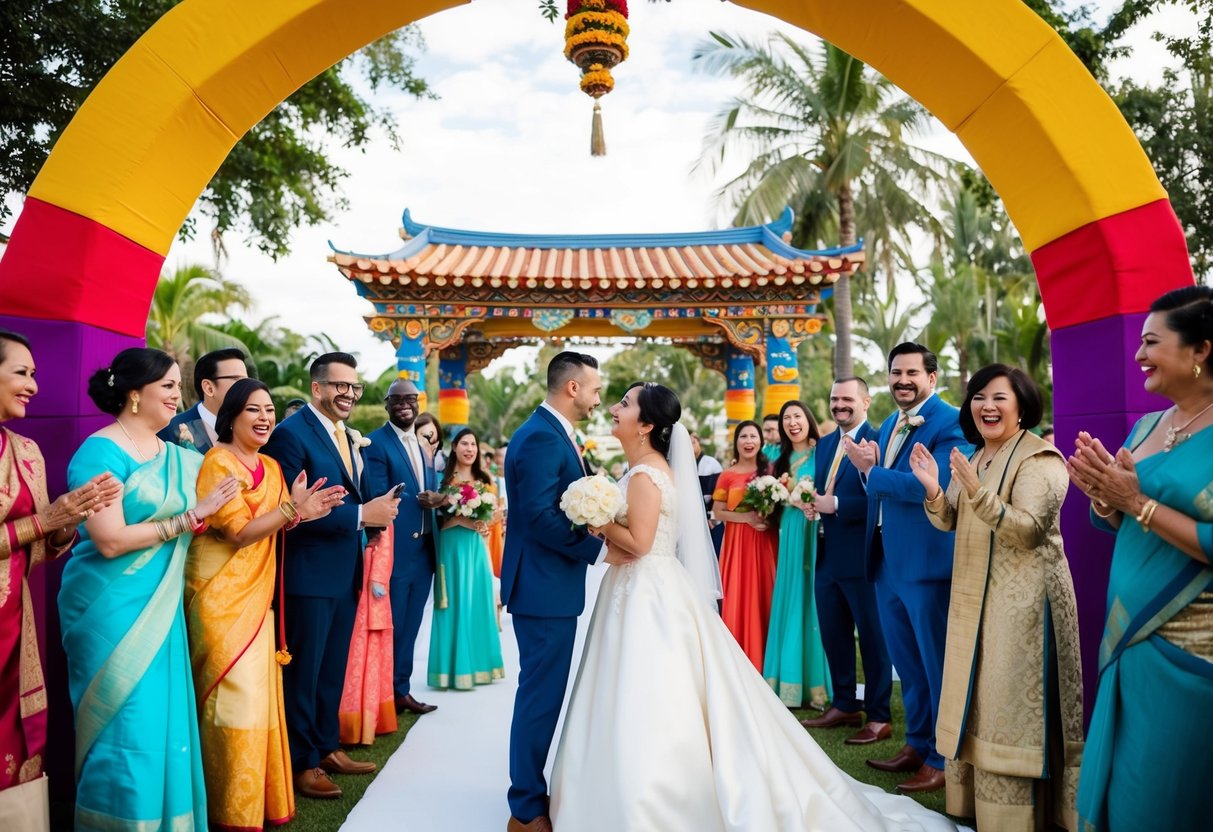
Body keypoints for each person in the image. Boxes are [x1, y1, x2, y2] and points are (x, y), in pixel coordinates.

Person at [549, 382, 954, 832]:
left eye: (624, 404)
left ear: (645, 425)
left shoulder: (646, 475)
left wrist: (598, 518)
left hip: (647, 591)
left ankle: (651, 791)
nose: (614, 408)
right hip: (641, 586)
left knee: (646, 684)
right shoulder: (645, 469)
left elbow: (641, 544)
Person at [59, 347, 241, 831]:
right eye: (168, 386)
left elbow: (225, 513)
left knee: (162, 718)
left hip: (163, 604)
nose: (177, 395)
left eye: (178, 385)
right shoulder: (99, 452)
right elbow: (110, 539)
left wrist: (291, 510)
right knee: (126, 720)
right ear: (134, 393)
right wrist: (190, 517)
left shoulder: (181, 457)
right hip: (109, 606)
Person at [911, 365, 1084, 830]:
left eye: (999, 397)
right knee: (979, 702)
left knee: (1009, 706)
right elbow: (949, 519)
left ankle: (1027, 815)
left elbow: (1029, 531)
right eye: (979, 397)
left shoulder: (1040, 459)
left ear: (1022, 406)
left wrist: (975, 489)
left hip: (1025, 607)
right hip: (974, 601)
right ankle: (977, 807)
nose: (987, 406)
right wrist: (933, 487)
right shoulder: (976, 454)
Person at [1066, 286, 1213, 832]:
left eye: (1152, 342)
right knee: (1124, 795)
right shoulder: (1148, 426)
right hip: (1128, 642)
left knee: (1163, 801)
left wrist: (1137, 502)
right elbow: (1119, 520)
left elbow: (1147, 511)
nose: (1138, 355)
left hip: (1190, 653)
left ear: (1200, 350)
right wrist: (1105, 498)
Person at [185, 379, 345, 828]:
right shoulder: (218, 462)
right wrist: (295, 512)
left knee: (257, 701)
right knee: (231, 701)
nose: (265, 418)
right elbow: (238, 532)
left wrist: (303, 514)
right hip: (220, 597)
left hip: (259, 597)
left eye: (270, 410)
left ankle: (254, 803)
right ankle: (226, 808)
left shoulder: (272, 467)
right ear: (231, 416)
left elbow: (273, 524)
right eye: (254, 410)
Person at [262, 353, 400, 800]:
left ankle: (326, 745)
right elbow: (292, 512)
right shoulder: (290, 435)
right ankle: (303, 762)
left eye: (355, 387)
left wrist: (374, 518)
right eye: (340, 385)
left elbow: (352, 497)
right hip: (307, 574)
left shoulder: (346, 436)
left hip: (344, 570)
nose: (349, 394)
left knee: (330, 669)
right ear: (317, 387)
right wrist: (362, 515)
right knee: (304, 673)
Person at [0, 331, 121, 827]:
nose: (33, 385)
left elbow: (46, 543)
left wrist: (70, 519)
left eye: (34, 374)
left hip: (13, 623)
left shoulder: (26, 451)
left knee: (16, 732)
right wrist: (46, 520)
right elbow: (37, 524)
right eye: (21, 373)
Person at [844, 342, 967, 794]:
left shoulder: (950, 421)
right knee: (908, 664)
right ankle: (916, 743)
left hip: (926, 564)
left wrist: (871, 473)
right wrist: (869, 472)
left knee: (935, 665)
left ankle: (942, 758)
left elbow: (933, 486)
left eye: (912, 373)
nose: (902, 380)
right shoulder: (891, 423)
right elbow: (883, 485)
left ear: (931, 378)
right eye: (896, 372)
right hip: (885, 560)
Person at [502, 351, 606, 832]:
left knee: (543, 694)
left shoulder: (550, 431)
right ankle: (525, 809)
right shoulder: (543, 436)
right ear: (572, 387)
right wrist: (596, 548)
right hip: (542, 587)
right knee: (540, 698)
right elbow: (540, 515)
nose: (598, 398)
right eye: (595, 389)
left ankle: (530, 793)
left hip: (548, 585)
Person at [803, 377, 893, 745]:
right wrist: (815, 506)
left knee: (872, 638)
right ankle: (844, 704)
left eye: (847, 399)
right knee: (833, 633)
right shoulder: (825, 444)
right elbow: (825, 491)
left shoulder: (880, 441)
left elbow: (882, 496)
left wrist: (836, 505)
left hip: (863, 557)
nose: (839, 404)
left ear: (866, 402)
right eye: (834, 398)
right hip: (826, 556)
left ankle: (879, 715)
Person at [362, 378, 446, 717]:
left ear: (418, 402)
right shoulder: (376, 443)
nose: (404, 405)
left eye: (410, 399)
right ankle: (383, 694)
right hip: (395, 552)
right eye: (396, 400)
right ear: (387, 405)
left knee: (410, 628)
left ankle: (401, 690)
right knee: (392, 627)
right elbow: (379, 496)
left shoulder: (423, 445)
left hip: (425, 550)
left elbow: (430, 486)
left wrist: (437, 499)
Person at [763, 400, 832, 708]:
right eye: (786, 418)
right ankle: (787, 681)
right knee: (790, 596)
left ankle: (817, 686)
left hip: (815, 529)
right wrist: (779, 498)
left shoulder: (823, 453)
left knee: (814, 599)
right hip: (791, 530)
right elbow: (769, 497)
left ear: (808, 420)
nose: (792, 422)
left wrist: (812, 502)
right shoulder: (777, 457)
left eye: (797, 416)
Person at [428, 428, 505, 689]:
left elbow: (493, 515)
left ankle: (481, 667)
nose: (469, 449)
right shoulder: (443, 479)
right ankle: (453, 670)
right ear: (455, 447)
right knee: (455, 601)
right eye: (464, 444)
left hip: (477, 547)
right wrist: (466, 520)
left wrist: (484, 523)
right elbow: (441, 521)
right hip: (452, 546)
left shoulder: (485, 480)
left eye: (473, 444)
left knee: (477, 600)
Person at [712, 420, 778, 670]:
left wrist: (767, 518)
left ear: (761, 441)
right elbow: (718, 512)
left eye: (753, 436)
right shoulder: (727, 475)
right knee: (739, 595)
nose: (748, 441)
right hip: (737, 543)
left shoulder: (770, 471)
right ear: (736, 441)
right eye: (743, 436)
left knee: (766, 592)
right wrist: (747, 518)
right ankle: (737, 661)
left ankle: (767, 661)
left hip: (765, 541)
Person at [159, 347, 248, 453]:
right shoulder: (171, 430)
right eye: (237, 380)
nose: (246, 387)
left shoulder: (251, 427)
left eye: (247, 381)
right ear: (209, 388)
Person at [691, 432, 724, 554]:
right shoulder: (679, 465)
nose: (691, 446)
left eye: (693, 442)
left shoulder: (711, 463)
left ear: (698, 443)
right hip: (690, 523)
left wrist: (712, 519)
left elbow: (719, 495)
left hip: (711, 522)